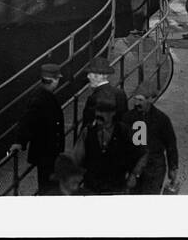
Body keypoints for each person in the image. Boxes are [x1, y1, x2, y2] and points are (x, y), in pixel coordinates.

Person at [9, 62, 66, 193]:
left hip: (48, 151)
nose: (58, 82)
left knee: (49, 184)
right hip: (45, 153)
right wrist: (19, 142)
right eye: (57, 79)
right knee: (47, 186)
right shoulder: (40, 98)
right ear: (52, 80)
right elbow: (27, 121)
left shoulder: (43, 94)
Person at [73, 98, 145, 194]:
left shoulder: (124, 131)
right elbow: (76, 157)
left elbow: (142, 153)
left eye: (103, 112)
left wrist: (134, 174)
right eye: (98, 111)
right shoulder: (88, 131)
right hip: (91, 187)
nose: (99, 114)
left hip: (117, 187)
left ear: (113, 113)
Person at [125, 84, 178, 194]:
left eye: (140, 100)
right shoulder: (128, 118)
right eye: (135, 99)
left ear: (150, 100)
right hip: (133, 167)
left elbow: (171, 145)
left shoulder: (162, 119)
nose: (136, 103)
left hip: (154, 168)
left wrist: (173, 167)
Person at [79, 55, 128, 134]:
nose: (88, 76)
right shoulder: (120, 94)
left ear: (100, 75)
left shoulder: (93, 98)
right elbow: (124, 120)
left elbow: (87, 126)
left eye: (90, 73)